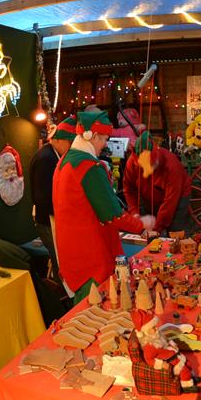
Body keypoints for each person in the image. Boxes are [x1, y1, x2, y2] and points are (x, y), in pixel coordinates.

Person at [52, 111, 153, 303]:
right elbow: (112, 215)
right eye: (104, 139)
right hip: (91, 258)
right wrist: (142, 225)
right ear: (93, 136)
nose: (106, 144)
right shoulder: (88, 166)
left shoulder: (64, 161)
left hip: (71, 254)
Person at [29, 116, 75, 278]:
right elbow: (42, 198)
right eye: (70, 144)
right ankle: (63, 297)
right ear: (59, 140)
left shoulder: (52, 155)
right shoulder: (46, 159)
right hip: (49, 221)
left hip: (53, 219)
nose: (71, 149)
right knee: (60, 262)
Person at [123, 131, 193, 234]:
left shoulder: (171, 167)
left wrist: (156, 229)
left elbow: (169, 205)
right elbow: (129, 189)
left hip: (178, 197)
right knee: (145, 231)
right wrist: (134, 213)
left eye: (152, 166)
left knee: (175, 232)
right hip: (150, 197)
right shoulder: (131, 164)